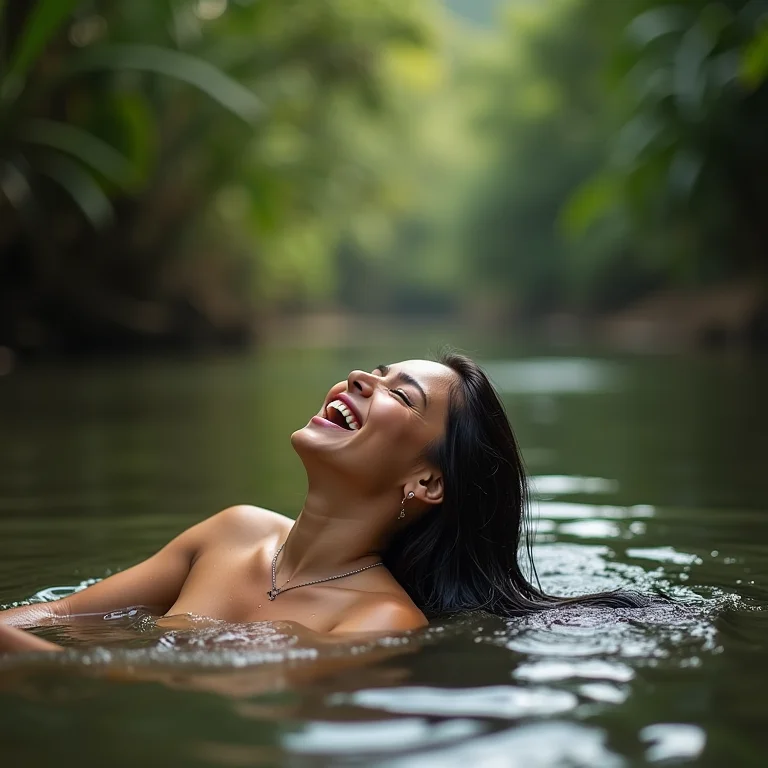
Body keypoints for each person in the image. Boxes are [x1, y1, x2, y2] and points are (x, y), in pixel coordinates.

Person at [0, 353, 650, 654]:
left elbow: (170, 693)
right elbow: (58, 615)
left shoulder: (382, 624)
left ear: (426, 484)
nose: (363, 378)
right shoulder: (233, 532)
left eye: (401, 396)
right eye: (377, 370)